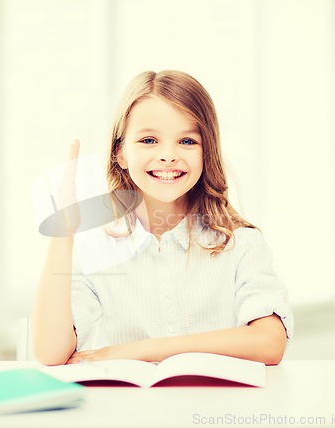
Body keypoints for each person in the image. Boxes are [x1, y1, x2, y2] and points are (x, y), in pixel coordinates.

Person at [32, 70, 293, 366]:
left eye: (187, 142)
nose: (168, 155)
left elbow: (269, 343)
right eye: (148, 140)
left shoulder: (241, 244)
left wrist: (144, 350)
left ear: (207, 152)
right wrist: (64, 232)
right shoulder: (92, 250)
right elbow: (50, 353)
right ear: (120, 153)